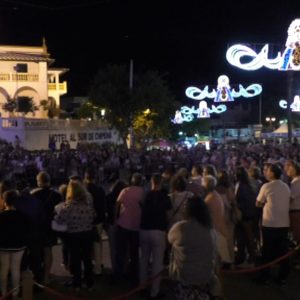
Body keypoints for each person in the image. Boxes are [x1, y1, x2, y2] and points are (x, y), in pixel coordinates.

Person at [168, 196, 216, 300]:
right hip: (205, 275)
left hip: (184, 275)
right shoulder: (210, 229)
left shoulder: (180, 228)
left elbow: (170, 239)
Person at [55, 180, 96, 290]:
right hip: (87, 234)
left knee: (76, 259)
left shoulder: (68, 207)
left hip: (74, 235)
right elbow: (93, 216)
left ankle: (76, 283)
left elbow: (59, 220)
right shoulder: (88, 205)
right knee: (87, 259)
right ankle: (90, 282)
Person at [256, 163, 291, 286]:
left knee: (267, 252)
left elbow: (258, 203)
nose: (265, 172)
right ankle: (283, 277)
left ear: (272, 173)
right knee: (283, 251)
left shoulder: (266, 186)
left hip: (270, 223)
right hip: (284, 223)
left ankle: (265, 277)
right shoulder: (286, 186)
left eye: (267, 170)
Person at [139, 173, 172, 299]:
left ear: (151, 182)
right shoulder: (164, 196)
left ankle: (142, 287)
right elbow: (169, 214)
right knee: (157, 262)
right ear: (161, 182)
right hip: (158, 230)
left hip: (144, 229)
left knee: (144, 260)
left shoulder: (145, 195)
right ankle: (154, 291)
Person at [30, 171, 62, 284]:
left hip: (36, 227)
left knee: (36, 252)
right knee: (48, 251)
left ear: (39, 182)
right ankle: (46, 276)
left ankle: (37, 276)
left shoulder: (33, 194)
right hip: (50, 227)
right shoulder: (57, 195)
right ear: (49, 181)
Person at [114, 172, 144, 284]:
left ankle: (118, 275)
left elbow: (117, 204)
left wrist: (115, 217)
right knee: (134, 253)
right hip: (136, 225)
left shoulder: (125, 191)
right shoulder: (142, 192)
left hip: (123, 223)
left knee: (120, 252)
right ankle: (133, 275)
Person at [0, 190, 29, 299]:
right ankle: (15, 293)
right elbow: (26, 231)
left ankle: (3, 293)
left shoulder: (1, 216)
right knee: (15, 269)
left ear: (4, 201)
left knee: (4, 268)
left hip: (3, 246)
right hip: (18, 245)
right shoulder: (23, 216)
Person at [83, 168, 106, 275]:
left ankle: (87, 266)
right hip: (98, 219)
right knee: (97, 243)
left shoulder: (83, 190)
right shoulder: (100, 189)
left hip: (86, 219)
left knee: (86, 244)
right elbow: (103, 205)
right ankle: (98, 267)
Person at [286, 160, 300, 242]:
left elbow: (291, 198)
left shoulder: (297, 183)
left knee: (297, 235)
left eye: (289, 169)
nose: (287, 171)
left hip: (296, 211)